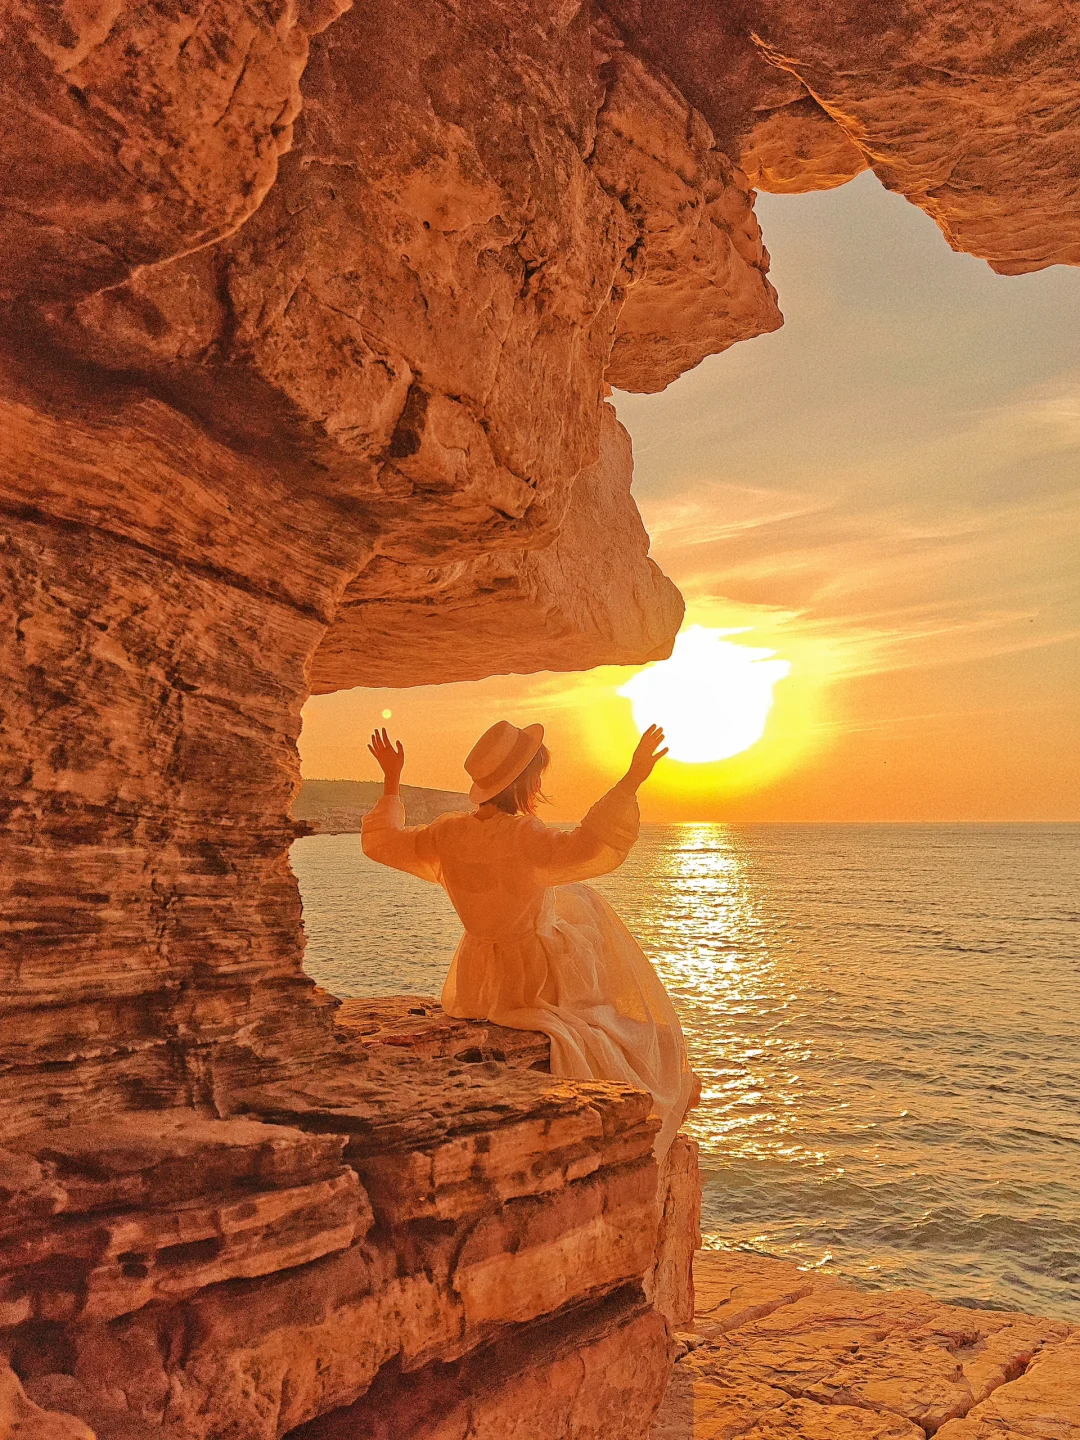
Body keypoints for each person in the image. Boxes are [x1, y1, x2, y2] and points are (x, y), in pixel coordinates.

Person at [361, 719, 698, 1157]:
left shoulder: (446, 833)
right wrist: (631, 780)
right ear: (525, 781)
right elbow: (588, 847)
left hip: (476, 982)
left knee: (572, 897)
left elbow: (383, 843)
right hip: (537, 979)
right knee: (586, 907)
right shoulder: (522, 834)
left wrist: (392, 779)